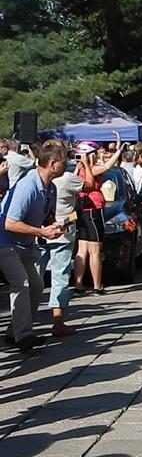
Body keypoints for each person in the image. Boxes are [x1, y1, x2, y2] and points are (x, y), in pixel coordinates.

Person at [0, 141, 66, 352]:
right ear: (52, 163)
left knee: (37, 285)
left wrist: (53, 225)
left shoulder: (50, 188)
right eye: (64, 162)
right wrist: (42, 232)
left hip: (25, 244)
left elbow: (45, 216)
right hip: (5, 243)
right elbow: (10, 223)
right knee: (21, 283)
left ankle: (13, 332)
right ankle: (24, 336)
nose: (67, 166)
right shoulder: (27, 185)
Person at [39, 140, 87, 337]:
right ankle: (57, 321)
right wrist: (86, 164)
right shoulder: (66, 178)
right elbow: (90, 185)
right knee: (59, 276)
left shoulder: (37, 178)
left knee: (33, 278)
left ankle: (22, 323)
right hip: (60, 232)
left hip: (40, 232)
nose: (66, 163)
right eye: (64, 159)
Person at [73, 135, 123, 293]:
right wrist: (118, 151)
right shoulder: (90, 170)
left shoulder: (78, 170)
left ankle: (78, 284)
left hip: (82, 212)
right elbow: (108, 166)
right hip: (94, 211)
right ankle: (97, 285)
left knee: (82, 250)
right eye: (94, 153)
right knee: (95, 251)